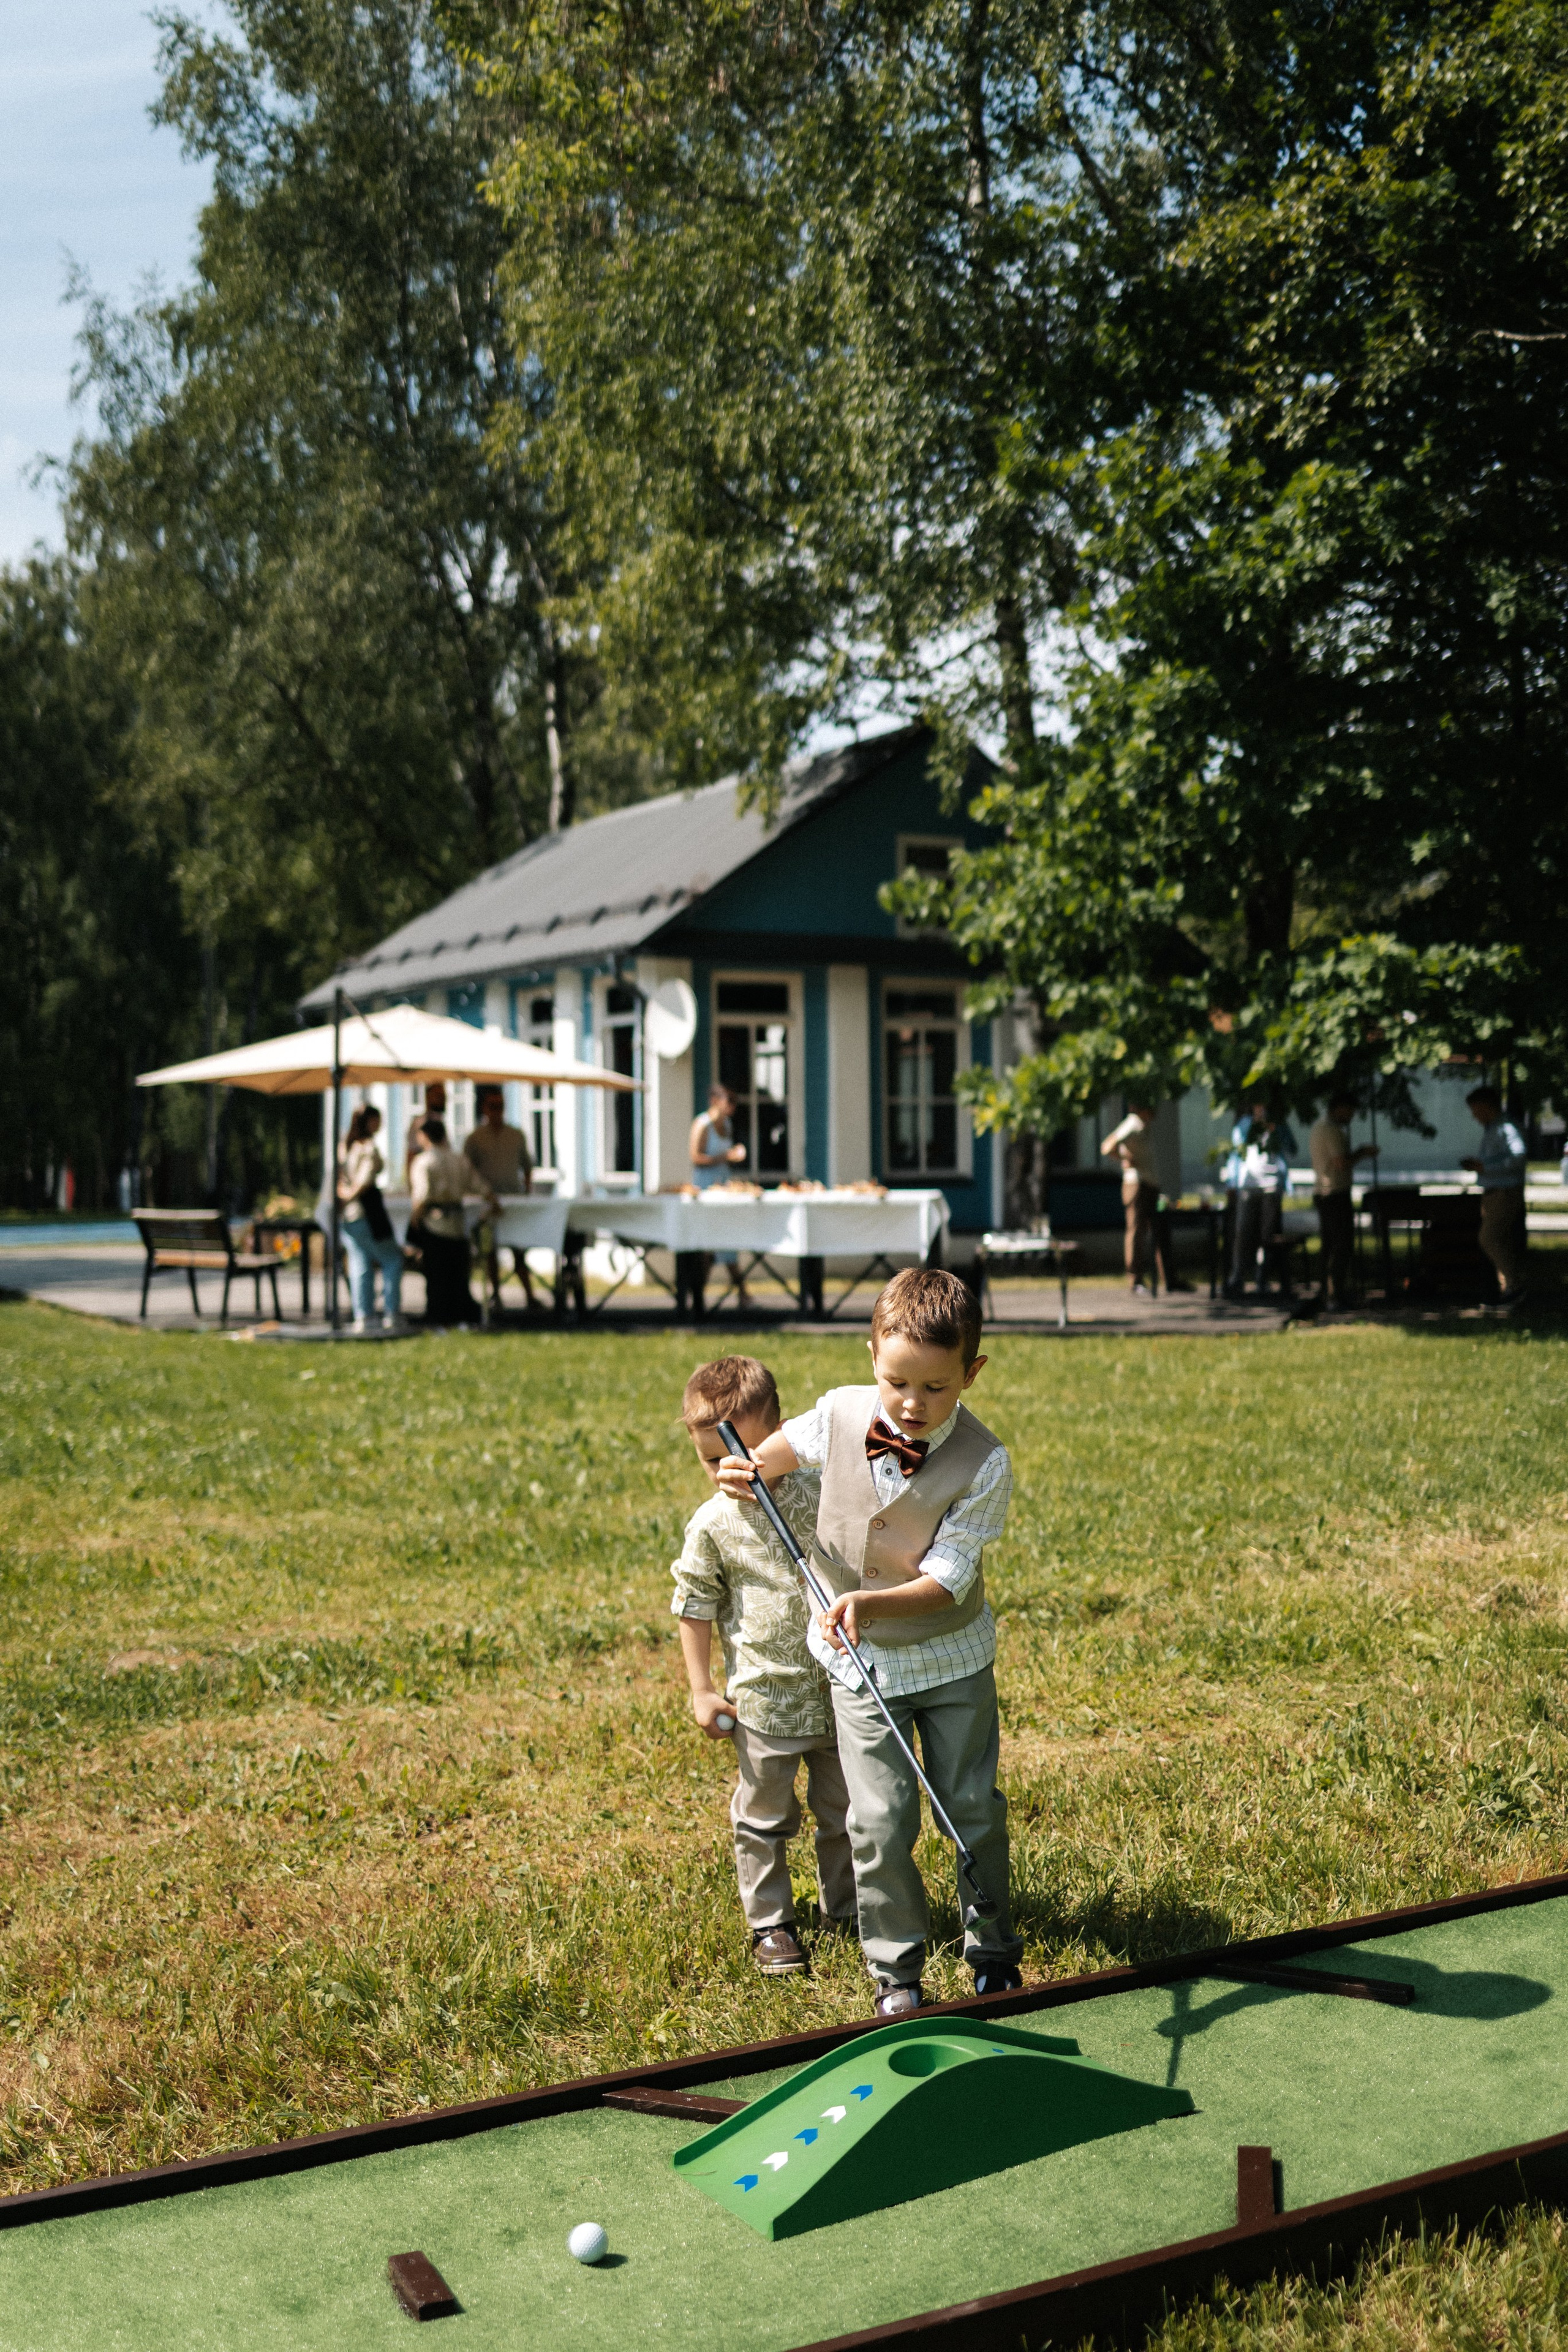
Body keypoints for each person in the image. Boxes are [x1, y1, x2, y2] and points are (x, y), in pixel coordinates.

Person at [719, 1267, 1021, 2017]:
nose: (912, 1404)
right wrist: (751, 1468)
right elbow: (786, 1447)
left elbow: (948, 1579)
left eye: (936, 1388)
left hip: (949, 1660)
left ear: (971, 1373)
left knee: (971, 1808)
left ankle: (992, 1950)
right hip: (861, 1667)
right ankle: (897, 1971)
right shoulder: (842, 1412)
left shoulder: (984, 1462)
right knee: (879, 1820)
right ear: (872, 1359)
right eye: (897, 1383)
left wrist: (868, 1602)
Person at [673, 1355, 855, 1976]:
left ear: (781, 1434)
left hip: (837, 1690)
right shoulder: (713, 1525)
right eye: (711, 1459)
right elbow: (694, 1605)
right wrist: (701, 1689)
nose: (730, 1469)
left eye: (746, 1452)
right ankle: (771, 1923)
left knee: (846, 1813)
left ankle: (847, 1909)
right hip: (763, 1703)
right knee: (763, 1818)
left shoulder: (820, 1493)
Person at [409, 1115, 496, 1327]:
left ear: (425, 1136)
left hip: (435, 1223)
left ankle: (439, 1318)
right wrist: (494, 1202)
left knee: (437, 1276)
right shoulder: (459, 1159)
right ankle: (460, 1317)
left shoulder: (424, 1161)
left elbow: (422, 1194)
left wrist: (415, 1219)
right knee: (458, 1276)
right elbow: (480, 1186)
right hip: (457, 1223)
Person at [1099, 1104, 1193, 1295]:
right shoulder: (1132, 1124)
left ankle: (1169, 1279)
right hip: (1137, 1184)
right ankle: (1135, 1279)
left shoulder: (1143, 1126)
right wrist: (1124, 1159)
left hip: (1149, 1184)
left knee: (1160, 1229)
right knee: (1137, 1231)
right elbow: (1107, 1146)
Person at [464, 1085, 537, 1312]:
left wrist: (526, 1191)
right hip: (488, 1202)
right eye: (493, 1106)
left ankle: (530, 1296)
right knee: (490, 1250)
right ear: (485, 1109)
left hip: (512, 1199)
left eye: (501, 1106)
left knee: (519, 1249)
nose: (497, 1111)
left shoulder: (515, 1135)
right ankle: (495, 1294)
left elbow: (527, 1166)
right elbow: (467, 1169)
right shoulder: (476, 1138)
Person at [337, 1105, 405, 1335]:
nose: (380, 1124)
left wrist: (343, 1198)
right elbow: (364, 1181)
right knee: (392, 1259)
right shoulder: (368, 1148)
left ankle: (364, 1315)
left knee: (360, 1263)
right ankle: (392, 1312)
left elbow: (340, 1178)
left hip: (350, 1215)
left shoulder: (346, 1146)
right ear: (369, 1122)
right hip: (367, 1211)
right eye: (377, 1120)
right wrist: (349, 1196)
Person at [1460, 1085, 1528, 1311]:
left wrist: (1485, 1167)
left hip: (1504, 1192)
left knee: (1489, 1239)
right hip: (1494, 1192)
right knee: (1500, 1241)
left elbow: (1518, 1156)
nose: (1474, 1116)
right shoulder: (1494, 1129)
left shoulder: (1505, 1128)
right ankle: (1509, 1292)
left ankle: (1516, 1286)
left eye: (1475, 1109)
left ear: (1485, 1106)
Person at [1308, 1094, 1378, 1311]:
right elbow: (1341, 1163)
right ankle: (1333, 1295)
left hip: (1327, 1192)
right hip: (1334, 1193)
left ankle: (1329, 1293)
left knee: (1331, 1245)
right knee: (1340, 1245)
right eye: (1350, 1112)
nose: (1351, 1117)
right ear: (1339, 1108)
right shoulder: (1330, 1130)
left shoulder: (1320, 1127)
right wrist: (1362, 1153)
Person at [688, 1082, 750, 1312]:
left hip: (723, 1188)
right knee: (708, 1245)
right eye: (728, 1101)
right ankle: (699, 1297)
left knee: (727, 1241)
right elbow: (696, 1157)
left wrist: (733, 1157)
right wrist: (725, 1157)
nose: (732, 1106)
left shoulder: (727, 1125)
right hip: (706, 1190)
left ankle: (740, 1292)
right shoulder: (702, 1124)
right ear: (715, 1101)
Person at [1224, 1102, 1296, 1297]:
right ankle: (1237, 1277)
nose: (1260, 1109)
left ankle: (1261, 1278)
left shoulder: (1278, 1124)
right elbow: (1236, 1153)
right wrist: (1232, 1181)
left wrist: (1275, 1132)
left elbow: (1292, 1148)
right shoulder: (1244, 1124)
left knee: (1268, 1236)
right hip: (1248, 1185)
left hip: (1272, 1184)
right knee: (1242, 1232)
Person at [404, 1081, 448, 1185]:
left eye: (444, 1096)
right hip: (429, 1182)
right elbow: (412, 1154)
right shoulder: (420, 1124)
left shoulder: (441, 1121)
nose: (443, 1100)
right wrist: (412, 1185)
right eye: (439, 1096)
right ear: (428, 1097)